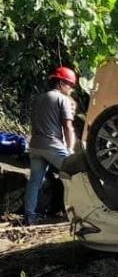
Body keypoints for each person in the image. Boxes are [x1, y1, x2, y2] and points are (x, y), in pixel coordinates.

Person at [24, 66, 77, 225]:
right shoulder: (63, 99)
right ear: (61, 83)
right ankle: (75, 215)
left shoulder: (39, 98)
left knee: (35, 181)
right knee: (76, 175)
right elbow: (68, 127)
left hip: (35, 145)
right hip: (52, 145)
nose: (71, 88)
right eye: (69, 84)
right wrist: (70, 149)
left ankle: (29, 216)